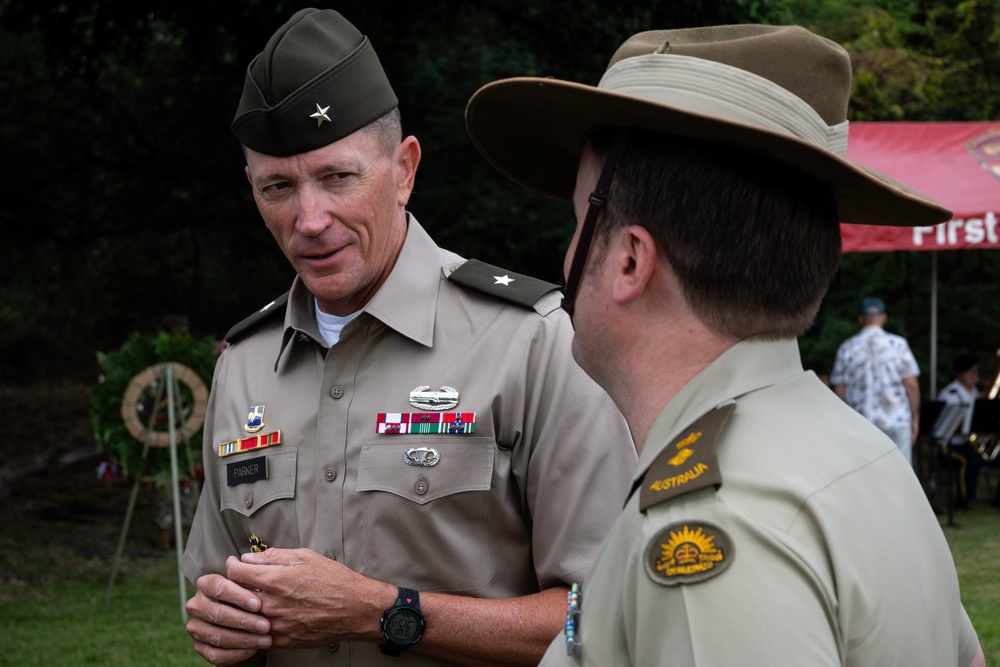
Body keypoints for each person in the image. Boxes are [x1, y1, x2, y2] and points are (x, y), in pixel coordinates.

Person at [465, 23, 985, 667]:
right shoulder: (862, 456)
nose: (566, 253)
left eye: (578, 223)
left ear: (630, 260)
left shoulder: (709, 526)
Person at [181, 8, 636, 667]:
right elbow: (211, 587)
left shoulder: (531, 344)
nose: (309, 219)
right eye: (277, 186)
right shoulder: (244, 366)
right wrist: (220, 620)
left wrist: (384, 611)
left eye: (338, 177)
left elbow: (608, 615)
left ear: (404, 169)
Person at [830, 296, 922, 466]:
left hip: (861, 422)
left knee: (866, 475)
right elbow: (911, 385)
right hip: (897, 421)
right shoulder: (898, 344)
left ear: (860, 318)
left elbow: (838, 391)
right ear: (884, 317)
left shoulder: (847, 347)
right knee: (901, 474)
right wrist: (915, 417)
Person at [938, 353, 984, 508]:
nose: (975, 375)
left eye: (976, 371)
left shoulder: (977, 393)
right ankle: (965, 500)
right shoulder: (950, 393)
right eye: (971, 371)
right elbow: (950, 424)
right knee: (970, 461)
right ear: (960, 373)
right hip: (949, 445)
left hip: (969, 443)